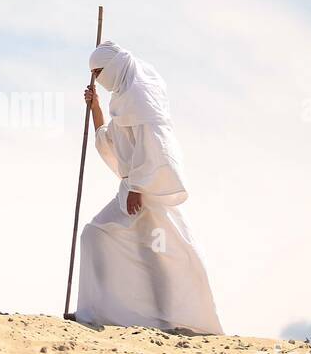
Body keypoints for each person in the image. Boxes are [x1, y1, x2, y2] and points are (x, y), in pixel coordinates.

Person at [74, 41, 223, 335]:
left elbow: (156, 149)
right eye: (94, 73)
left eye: (100, 71)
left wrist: (139, 188)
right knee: (100, 237)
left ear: (114, 67)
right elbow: (110, 141)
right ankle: (98, 310)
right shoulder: (121, 100)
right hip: (131, 189)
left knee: (164, 255)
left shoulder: (140, 99)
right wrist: (96, 108)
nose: (99, 79)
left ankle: (171, 319)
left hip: (145, 192)